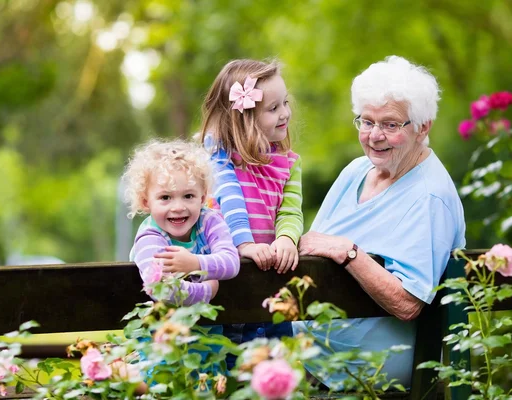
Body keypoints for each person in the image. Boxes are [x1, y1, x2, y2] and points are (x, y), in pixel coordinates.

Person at [293, 55, 466, 390]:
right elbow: (311, 244)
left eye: (390, 124)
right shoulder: (356, 171)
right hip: (311, 360)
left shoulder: (430, 196)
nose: (374, 136)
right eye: (366, 121)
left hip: (372, 376)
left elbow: (407, 302)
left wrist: (349, 252)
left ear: (423, 126)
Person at [198, 59, 303, 368]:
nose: (285, 113)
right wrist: (243, 244)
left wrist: (286, 238)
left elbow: (290, 210)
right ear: (243, 118)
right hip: (226, 287)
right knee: (223, 372)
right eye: (273, 109)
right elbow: (228, 196)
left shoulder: (288, 163)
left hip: (268, 284)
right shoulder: (217, 155)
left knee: (275, 371)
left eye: (284, 103)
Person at [123, 138, 240, 305]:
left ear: (202, 197)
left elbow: (231, 262)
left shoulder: (209, 221)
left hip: (210, 328)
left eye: (188, 196)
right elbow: (160, 289)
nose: (178, 207)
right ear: (145, 202)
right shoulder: (149, 237)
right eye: (165, 197)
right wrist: (206, 291)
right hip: (164, 329)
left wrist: (194, 263)